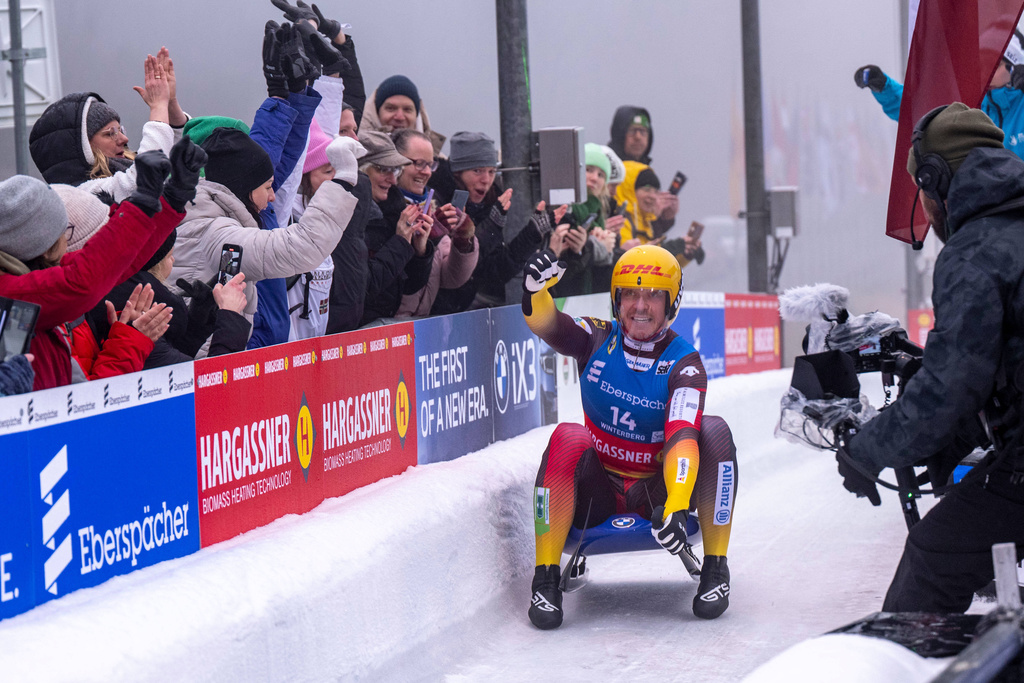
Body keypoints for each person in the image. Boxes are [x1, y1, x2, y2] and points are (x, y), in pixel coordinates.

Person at [842, 103, 1024, 612]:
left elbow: (952, 384)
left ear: (935, 178)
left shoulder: (974, 251)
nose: (923, 207)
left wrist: (866, 449)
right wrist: (962, 435)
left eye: (920, 191)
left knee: (933, 556)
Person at [521, 245, 739, 629]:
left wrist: (677, 501)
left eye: (653, 295)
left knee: (714, 430)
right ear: (616, 300)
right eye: (630, 294)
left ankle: (716, 571)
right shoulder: (595, 338)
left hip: (654, 497)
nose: (640, 305)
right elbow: (548, 324)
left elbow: (682, 436)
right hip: (597, 493)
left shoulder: (684, 364)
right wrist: (534, 294)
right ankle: (545, 581)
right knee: (568, 435)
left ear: (671, 303)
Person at [0, 143, 194, 390]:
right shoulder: (10, 294)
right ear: (43, 243)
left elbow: (122, 263)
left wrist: (172, 198)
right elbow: (83, 281)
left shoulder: (31, 279)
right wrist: (142, 202)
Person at [169, 127, 357, 340]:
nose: (272, 197)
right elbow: (302, 246)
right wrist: (343, 180)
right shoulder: (217, 235)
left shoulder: (205, 216)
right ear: (244, 187)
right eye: (267, 187)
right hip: (204, 366)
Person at [29, 49, 188, 199]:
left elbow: (184, 156)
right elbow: (145, 179)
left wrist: (170, 103)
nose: (124, 139)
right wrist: (158, 106)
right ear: (80, 148)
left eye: (120, 130)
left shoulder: (121, 171)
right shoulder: (82, 193)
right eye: (110, 133)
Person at [429, 131, 548, 314]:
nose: (486, 180)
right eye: (477, 171)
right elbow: (458, 265)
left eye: (491, 171)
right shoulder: (438, 201)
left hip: (461, 312)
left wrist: (531, 236)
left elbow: (493, 273)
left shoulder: (489, 203)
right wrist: (492, 225)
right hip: (432, 313)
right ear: (457, 172)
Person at [854, 31, 1024, 159]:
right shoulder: (973, 104)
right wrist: (884, 87)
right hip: (988, 205)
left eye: (996, 63)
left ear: (1015, 66)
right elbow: (921, 111)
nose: (986, 70)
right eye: (983, 61)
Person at [392, 128, 479, 317]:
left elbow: (451, 278)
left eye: (430, 165)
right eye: (418, 164)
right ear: (395, 163)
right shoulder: (386, 208)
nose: (426, 173)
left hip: (422, 326)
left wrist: (463, 239)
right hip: (387, 330)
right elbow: (395, 278)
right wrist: (427, 241)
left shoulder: (431, 208)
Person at [357, 130, 435, 325]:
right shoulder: (350, 216)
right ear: (361, 170)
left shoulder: (395, 209)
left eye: (395, 170)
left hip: (385, 329)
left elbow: (409, 286)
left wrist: (420, 251)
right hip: (355, 333)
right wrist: (400, 242)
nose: (392, 180)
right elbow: (364, 287)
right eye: (383, 170)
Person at [359, 74, 446, 156]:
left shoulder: (437, 165)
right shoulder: (356, 154)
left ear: (417, 116)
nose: (399, 117)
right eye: (391, 108)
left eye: (407, 109)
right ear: (376, 112)